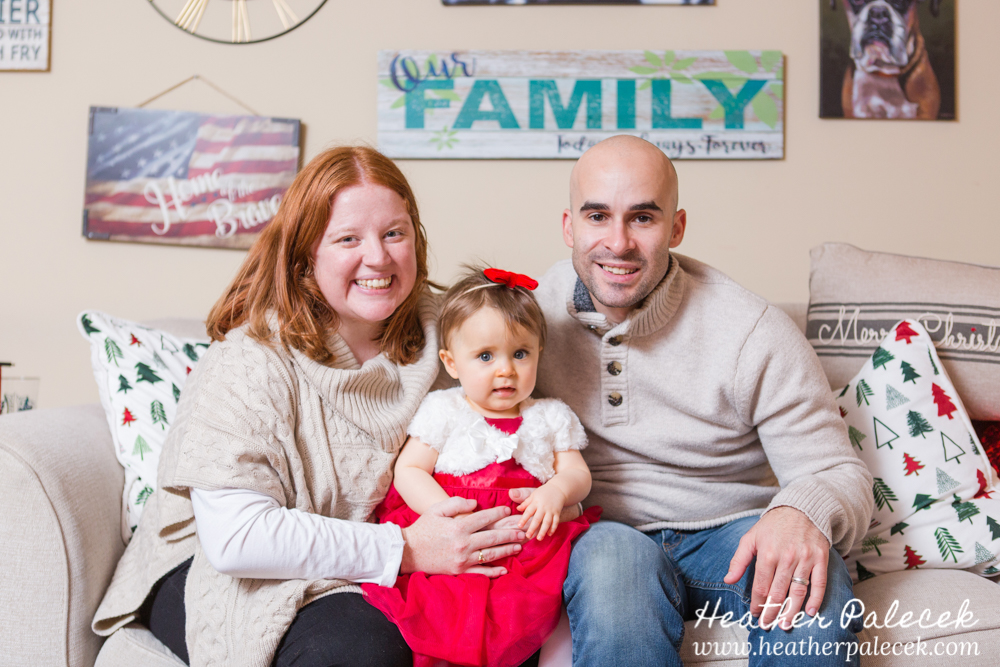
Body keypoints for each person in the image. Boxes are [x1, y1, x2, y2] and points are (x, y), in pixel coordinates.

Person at [91, 146, 529, 667]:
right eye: (348, 239)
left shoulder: (456, 331)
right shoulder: (251, 360)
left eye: (394, 233)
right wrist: (405, 548)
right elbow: (236, 539)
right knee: (362, 646)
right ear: (306, 259)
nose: (379, 258)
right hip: (208, 560)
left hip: (393, 547)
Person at [526, 135, 874, 666]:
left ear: (677, 226)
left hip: (732, 536)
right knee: (614, 565)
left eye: (643, 218)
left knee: (813, 585)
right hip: (605, 533)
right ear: (569, 226)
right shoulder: (527, 323)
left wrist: (802, 509)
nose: (617, 242)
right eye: (598, 216)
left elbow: (839, 472)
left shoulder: (751, 330)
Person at [362, 266, 600, 667]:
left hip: (527, 542)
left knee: (553, 597)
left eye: (520, 354)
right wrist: (444, 516)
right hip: (456, 536)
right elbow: (410, 471)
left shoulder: (550, 415)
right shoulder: (445, 409)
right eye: (485, 356)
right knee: (446, 612)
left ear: (539, 353)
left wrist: (555, 492)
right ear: (452, 363)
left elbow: (578, 474)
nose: (505, 369)